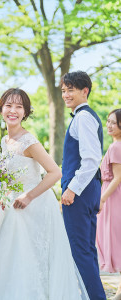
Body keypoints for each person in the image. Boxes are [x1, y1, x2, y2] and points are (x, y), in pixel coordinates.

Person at [0, 88, 89, 300]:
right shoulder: (5, 141)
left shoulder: (28, 141)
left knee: (32, 258)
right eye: (9, 105)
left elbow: (55, 172)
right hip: (12, 207)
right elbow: (10, 177)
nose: (13, 110)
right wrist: (2, 194)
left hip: (35, 206)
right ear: (1, 109)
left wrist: (28, 196)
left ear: (25, 113)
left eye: (19, 107)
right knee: (11, 258)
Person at [60, 71, 106, 300]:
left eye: (71, 89)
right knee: (86, 250)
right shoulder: (83, 117)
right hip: (87, 192)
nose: (66, 94)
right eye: (63, 90)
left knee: (80, 252)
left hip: (79, 193)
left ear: (84, 91)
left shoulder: (83, 117)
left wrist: (71, 189)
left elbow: (91, 159)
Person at [96, 108, 121, 300]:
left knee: (116, 241)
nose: (109, 125)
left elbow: (118, 177)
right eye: (108, 121)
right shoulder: (116, 145)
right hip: (111, 194)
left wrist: (103, 199)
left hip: (113, 197)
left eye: (113, 122)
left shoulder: (116, 147)